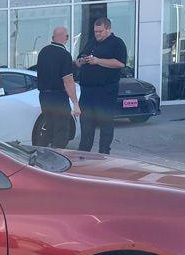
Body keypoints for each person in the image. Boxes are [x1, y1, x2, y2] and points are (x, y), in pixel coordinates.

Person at [76, 17, 127, 154]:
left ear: (108, 29)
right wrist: (81, 61)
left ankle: (104, 152)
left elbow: (120, 63)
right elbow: (79, 59)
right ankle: (84, 152)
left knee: (105, 122)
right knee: (86, 122)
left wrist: (98, 61)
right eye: (95, 31)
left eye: (100, 31)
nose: (97, 34)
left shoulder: (117, 43)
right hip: (87, 90)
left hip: (105, 90)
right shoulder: (92, 42)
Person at [36, 27, 81, 148]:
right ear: (66, 38)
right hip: (58, 97)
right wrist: (75, 103)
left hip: (44, 96)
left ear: (52, 38)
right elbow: (68, 81)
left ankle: (41, 155)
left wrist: (74, 65)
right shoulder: (64, 54)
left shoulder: (43, 52)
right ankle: (57, 159)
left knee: (49, 128)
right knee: (61, 131)